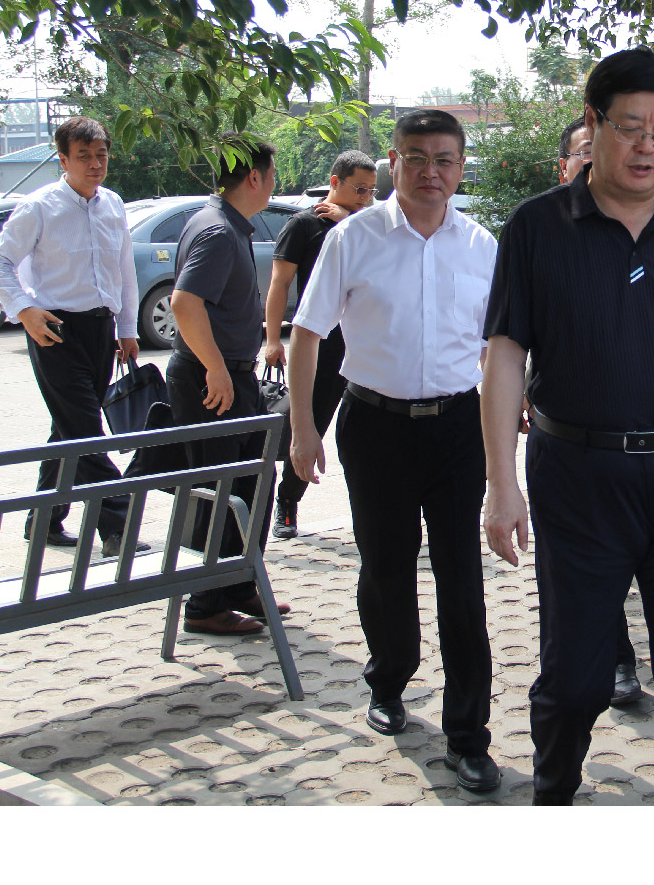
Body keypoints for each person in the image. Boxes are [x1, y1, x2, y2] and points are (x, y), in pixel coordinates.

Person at [481, 48, 654, 807]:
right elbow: (504, 359)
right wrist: (501, 484)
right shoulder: (537, 227)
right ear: (594, 124)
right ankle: (554, 794)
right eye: (631, 127)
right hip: (578, 478)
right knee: (576, 677)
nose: (648, 146)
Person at [288, 109, 501, 796]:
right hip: (375, 426)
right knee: (386, 566)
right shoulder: (353, 238)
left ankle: (468, 734)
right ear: (393, 162)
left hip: (458, 428)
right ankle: (389, 678)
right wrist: (302, 428)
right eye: (416, 157)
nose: (430, 172)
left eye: (444, 159)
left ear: (460, 167)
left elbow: (497, 348)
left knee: (462, 580)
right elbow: (307, 333)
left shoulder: (481, 246)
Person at [0, 114, 146, 555]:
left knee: (68, 428)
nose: (94, 164)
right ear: (63, 160)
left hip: (100, 329)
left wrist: (127, 328)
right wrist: (25, 311)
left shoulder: (113, 204)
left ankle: (44, 520)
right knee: (86, 430)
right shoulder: (40, 206)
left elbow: (124, 270)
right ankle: (117, 525)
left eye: (101, 155)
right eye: (83, 156)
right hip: (53, 330)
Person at [166, 140, 286, 638]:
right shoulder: (217, 230)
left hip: (235, 376)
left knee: (254, 482)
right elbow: (184, 303)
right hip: (212, 380)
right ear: (254, 178)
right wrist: (215, 368)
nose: (275, 183)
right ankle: (204, 604)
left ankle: (237, 583)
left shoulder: (225, 222)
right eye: (272, 174)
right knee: (219, 491)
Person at [556, 114, 640, 708]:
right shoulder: (541, 231)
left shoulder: (653, 225)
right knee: (591, 572)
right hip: (576, 445)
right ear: (564, 165)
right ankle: (612, 661)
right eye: (580, 153)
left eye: (596, 150)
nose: (590, 161)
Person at [264, 150, 377, 539]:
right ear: (334, 182)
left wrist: (349, 219)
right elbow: (279, 283)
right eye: (358, 189)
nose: (365, 197)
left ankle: (375, 511)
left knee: (368, 435)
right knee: (309, 425)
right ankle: (287, 503)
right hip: (321, 346)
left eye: (371, 190)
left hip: (365, 345)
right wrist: (272, 340)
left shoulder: (370, 226)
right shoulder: (304, 225)